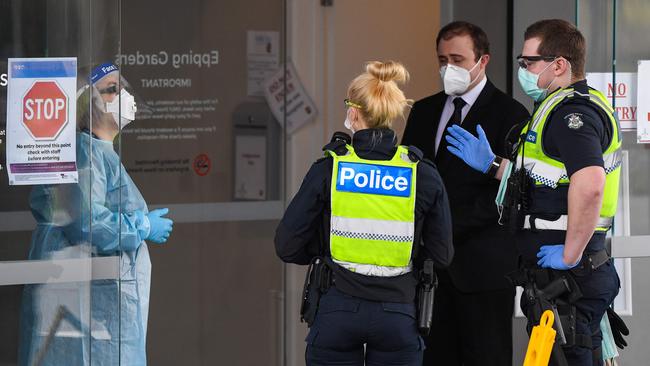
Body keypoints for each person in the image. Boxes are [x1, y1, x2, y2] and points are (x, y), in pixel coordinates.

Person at [445, 19, 621, 366]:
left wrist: (570, 254)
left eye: (529, 62)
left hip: (570, 280)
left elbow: (590, 184)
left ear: (559, 65)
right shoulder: (554, 108)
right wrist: (494, 166)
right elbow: (549, 180)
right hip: (557, 282)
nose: (522, 69)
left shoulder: (573, 114)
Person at [275, 61, 453, 366]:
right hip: (397, 314)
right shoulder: (420, 173)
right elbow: (441, 254)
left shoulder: (330, 169)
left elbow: (287, 245)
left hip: (337, 310)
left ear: (354, 112)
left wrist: (326, 249)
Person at [19, 62, 174, 366]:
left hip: (99, 298)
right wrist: (142, 226)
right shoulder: (85, 151)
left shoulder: (99, 152)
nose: (125, 95)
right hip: (91, 298)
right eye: (113, 89)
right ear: (86, 104)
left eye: (123, 87)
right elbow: (87, 223)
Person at [401, 21, 530, 365]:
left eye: (457, 59)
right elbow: (408, 179)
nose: (448, 68)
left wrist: (444, 225)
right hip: (430, 269)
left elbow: (512, 191)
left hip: (483, 267)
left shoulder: (510, 114)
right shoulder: (424, 111)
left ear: (482, 60)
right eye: (442, 60)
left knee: (485, 356)